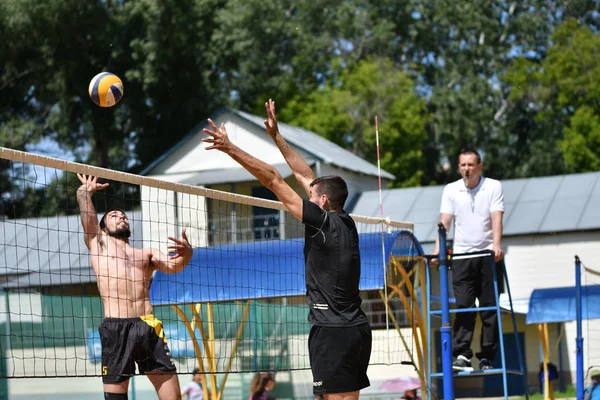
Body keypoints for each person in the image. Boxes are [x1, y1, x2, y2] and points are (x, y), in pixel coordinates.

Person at [203, 99, 372, 400]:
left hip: (333, 331)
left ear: (321, 202)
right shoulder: (345, 221)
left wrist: (229, 147)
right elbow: (306, 175)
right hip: (355, 328)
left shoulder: (322, 224)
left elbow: (273, 178)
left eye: (312, 195)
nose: (307, 193)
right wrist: (277, 138)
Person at [76, 173, 193, 400]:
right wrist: (85, 192)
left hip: (147, 325)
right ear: (103, 225)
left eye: (123, 215)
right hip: (116, 328)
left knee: (173, 397)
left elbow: (174, 266)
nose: (120, 216)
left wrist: (188, 254)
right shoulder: (98, 243)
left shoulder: (145, 254)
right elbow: (87, 214)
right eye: (113, 215)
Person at [433, 147, 504, 372]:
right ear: (458, 167)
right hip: (462, 256)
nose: (467, 169)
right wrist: (438, 251)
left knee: (489, 308)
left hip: (486, 255)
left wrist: (496, 245)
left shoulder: (493, 186)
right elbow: (444, 222)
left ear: (479, 166)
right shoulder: (451, 190)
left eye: (471, 165)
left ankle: (486, 357)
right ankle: (462, 355)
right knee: (463, 306)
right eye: (463, 165)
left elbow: (496, 217)